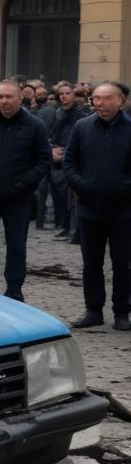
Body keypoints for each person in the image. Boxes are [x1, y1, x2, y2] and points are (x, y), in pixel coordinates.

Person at [0, 80, 52, 302]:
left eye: (9, 97)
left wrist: (23, 184)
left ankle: (14, 289)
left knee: (16, 245)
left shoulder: (35, 126)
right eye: (1, 97)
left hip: (18, 198)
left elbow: (43, 161)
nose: (3, 101)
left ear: (20, 98)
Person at [65, 82, 131, 330]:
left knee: (122, 263)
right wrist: (83, 186)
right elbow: (70, 161)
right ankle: (93, 310)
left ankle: (122, 312)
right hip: (89, 208)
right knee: (91, 263)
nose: (99, 104)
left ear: (121, 101)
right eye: (96, 99)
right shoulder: (82, 126)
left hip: (123, 210)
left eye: (106, 99)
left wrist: (117, 189)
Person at [38, 83, 86, 238]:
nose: (64, 96)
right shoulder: (56, 114)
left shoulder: (81, 115)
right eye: (62, 93)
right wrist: (52, 149)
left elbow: (81, 138)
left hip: (73, 158)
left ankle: (75, 229)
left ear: (74, 95)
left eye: (67, 93)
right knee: (59, 195)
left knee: (72, 197)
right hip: (57, 158)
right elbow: (49, 135)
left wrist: (67, 152)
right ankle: (64, 225)